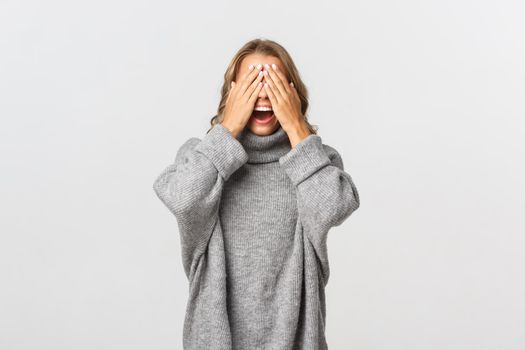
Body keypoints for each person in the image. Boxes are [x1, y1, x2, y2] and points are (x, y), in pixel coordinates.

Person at [153, 38, 360, 350]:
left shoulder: (315, 161)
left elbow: (335, 205)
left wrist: (297, 128)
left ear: (291, 92)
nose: (263, 93)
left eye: (273, 82)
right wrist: (228, 128)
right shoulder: (200, 158)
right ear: (233, 93)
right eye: (252, 82)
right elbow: (182, 198)